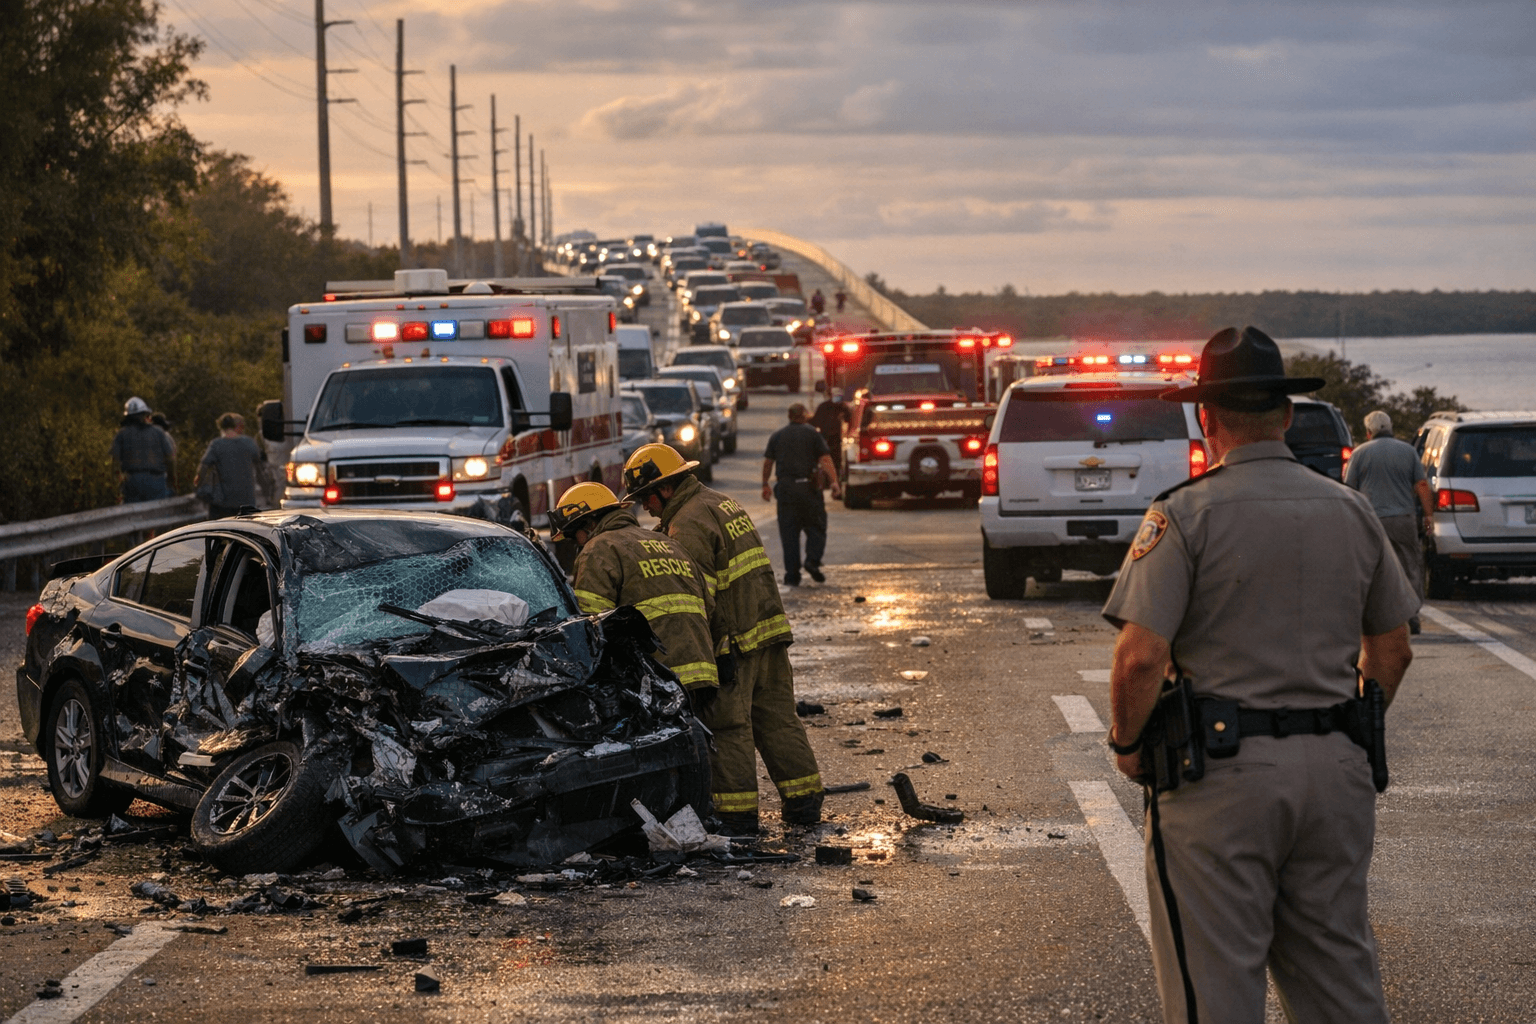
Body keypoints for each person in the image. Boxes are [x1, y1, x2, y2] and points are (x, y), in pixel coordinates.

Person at [1101, 326, 1418, 1024]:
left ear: (1206, 420)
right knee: (1340, 983)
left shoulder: (1182, 514)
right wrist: (1347, 729)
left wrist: (1127, 747)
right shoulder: (1352, 510)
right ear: (1284, 416)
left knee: (1213, 992)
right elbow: (1391, 650)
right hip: (1337, 773)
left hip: (1220, 777)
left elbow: (1141, 656)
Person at [623, 443, 824, 833]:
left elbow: (700, 599)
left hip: (737, 643)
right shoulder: (721, 503)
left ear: (664, 488)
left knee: (729, 726)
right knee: (778, 720)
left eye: (645, 497)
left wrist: (718, 650)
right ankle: (804, 802)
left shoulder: (688, 523)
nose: (644, 508)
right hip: (768, 632)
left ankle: (737, 816)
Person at [550, 482, 718, 691]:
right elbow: (709, 605)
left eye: (574, 535)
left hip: (658, 681)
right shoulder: (667, 542)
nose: (577, 544)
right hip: (704, 674)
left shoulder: (598, 549)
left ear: (589, 524)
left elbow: (591, 625)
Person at [1345, 409, 1433, 633]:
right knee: (1409, 566)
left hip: (1371, 521)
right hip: (1403, 520)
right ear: (1390, 428)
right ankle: (1411, 616)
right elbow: (1421, 485)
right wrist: (1429, 516)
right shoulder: (1408, 451)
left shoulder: (1359, 453)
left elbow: (1349, 491)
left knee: (1373, 568)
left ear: (1368, 432)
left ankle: (1377, 618)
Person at [762, 404, 841, 586]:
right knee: (816, 527)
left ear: (789, 416)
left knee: (789, 533)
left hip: (786, 489)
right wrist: (834, 482)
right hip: (809, 489)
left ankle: (792, 575)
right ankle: (812, 560)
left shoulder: (778, 435)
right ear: (805, 416)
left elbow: (768, 462)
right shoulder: (813, 434)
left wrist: (765, 484)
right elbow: (825, 459)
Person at [195, 412, 264, 519]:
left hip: (223, 502)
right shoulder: (250, 443)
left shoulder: (216, 444)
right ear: (234, 425)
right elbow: (260, 469)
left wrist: (198, 484)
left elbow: (204, 466)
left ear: (220, 427)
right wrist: (266, 490)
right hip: (247, 500)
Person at [109, 396, 176, 503]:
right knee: (157, 514)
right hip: (156, 481)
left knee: (134, 515)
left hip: (132, 481)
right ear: (145, 414)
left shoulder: (121, 434)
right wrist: (171, 481)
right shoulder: (158, 432)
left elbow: (115, 464)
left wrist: (116, 488)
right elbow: (170, 459)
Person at [810, 388, 852, 477]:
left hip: (837, 440)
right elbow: (815, 422)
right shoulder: (823, 407)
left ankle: (835, 479)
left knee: (836, 461)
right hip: (826, 439)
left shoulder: (842, 408)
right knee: (825, 460)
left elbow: (849, 420)